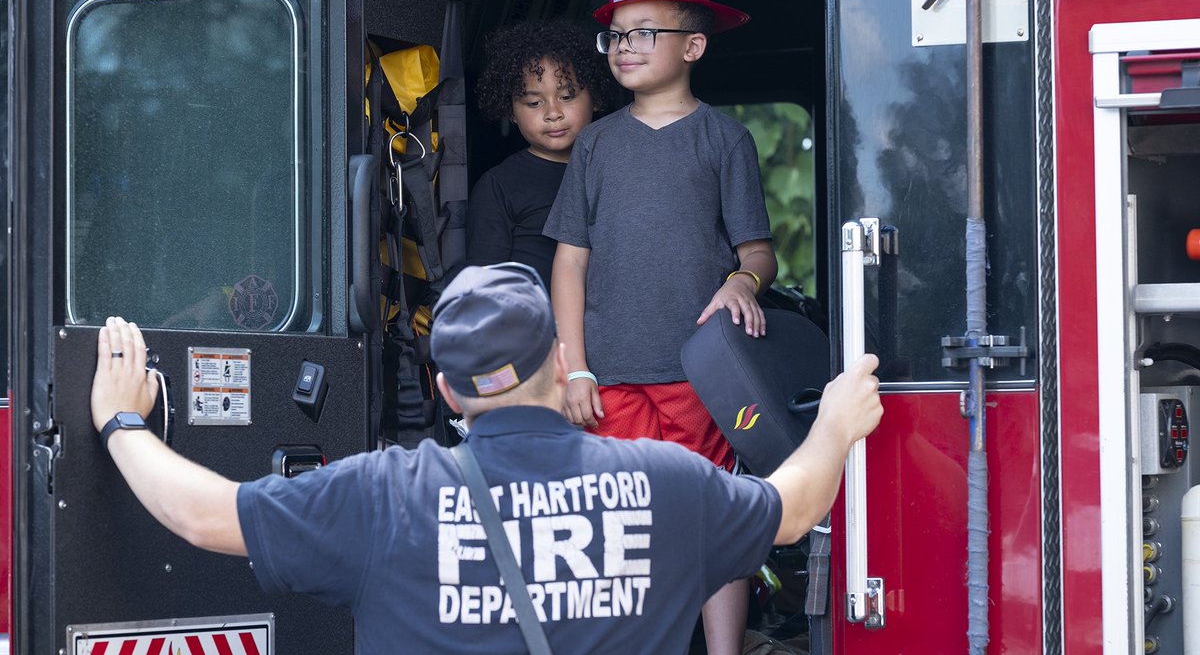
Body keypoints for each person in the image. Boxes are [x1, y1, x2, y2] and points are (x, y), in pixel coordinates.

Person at [90, 264, 883, 655]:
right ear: (562, 353)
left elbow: (200, 513)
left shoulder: (381, 495)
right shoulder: (665, 482)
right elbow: (798, 502)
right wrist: (839, 421)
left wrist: (120, 416)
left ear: (445, 389)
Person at [543, 0, 775, 652]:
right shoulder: (596, 145)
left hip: (698, 375)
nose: (625, 46)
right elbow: (569, 260)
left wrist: (744, 280)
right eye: (615, 34)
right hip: (609, 377)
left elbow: (757, 251)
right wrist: (574, 365)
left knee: (710, 517)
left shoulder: (724, 139)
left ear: (693, 45)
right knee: (617, 525)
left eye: (645, 31)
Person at [467, 19, 617, 289]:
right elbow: (485, 290)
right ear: (511, 111)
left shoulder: (614, 170)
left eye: (567, 97)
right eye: (534, 103)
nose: (553, 113)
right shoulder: (499, 186)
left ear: (594, 97)